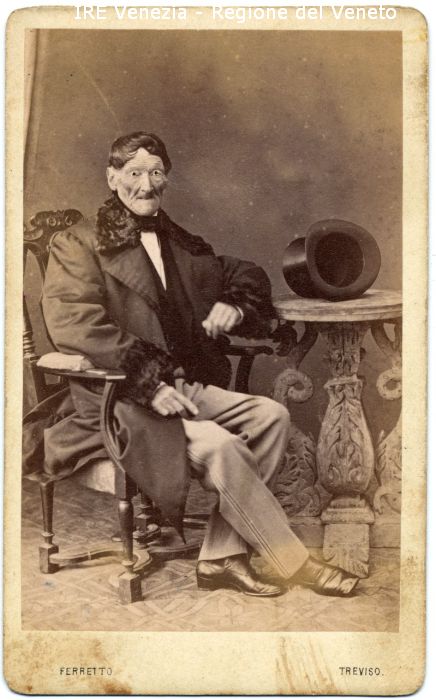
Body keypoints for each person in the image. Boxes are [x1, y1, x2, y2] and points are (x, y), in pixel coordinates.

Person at [40, 131, 359, 598]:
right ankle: (293, 562)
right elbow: (75, 326)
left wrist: (236, 303)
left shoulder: (179, 243)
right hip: (117, 402)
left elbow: (243, 272)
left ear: (166, 178)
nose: (146, 184)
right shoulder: (78, 243)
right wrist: (149, 383)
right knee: (221, 446)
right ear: (112, 178)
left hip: (179, 388)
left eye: (156, 172)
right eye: (134, 173)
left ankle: (220, 557)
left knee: (271, 416)